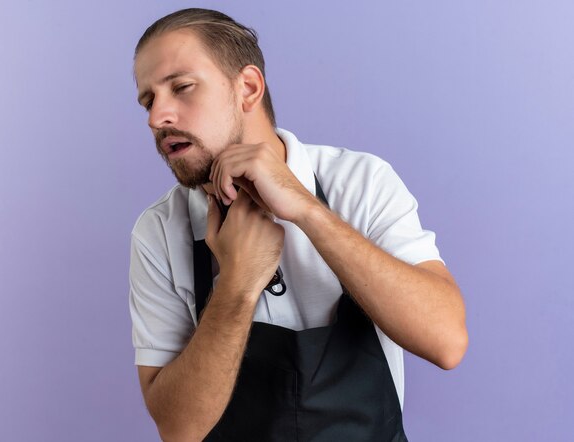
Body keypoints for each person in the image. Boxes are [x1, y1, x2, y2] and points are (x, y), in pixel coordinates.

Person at [128, 8, 468, 441]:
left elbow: (446, 341)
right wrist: (237, 284)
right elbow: (179, 430)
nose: (157, 118)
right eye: (148, 100)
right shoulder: (159, 231)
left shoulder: (360, 183)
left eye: (181, 87)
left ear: (247, 88)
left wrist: (307, 210)